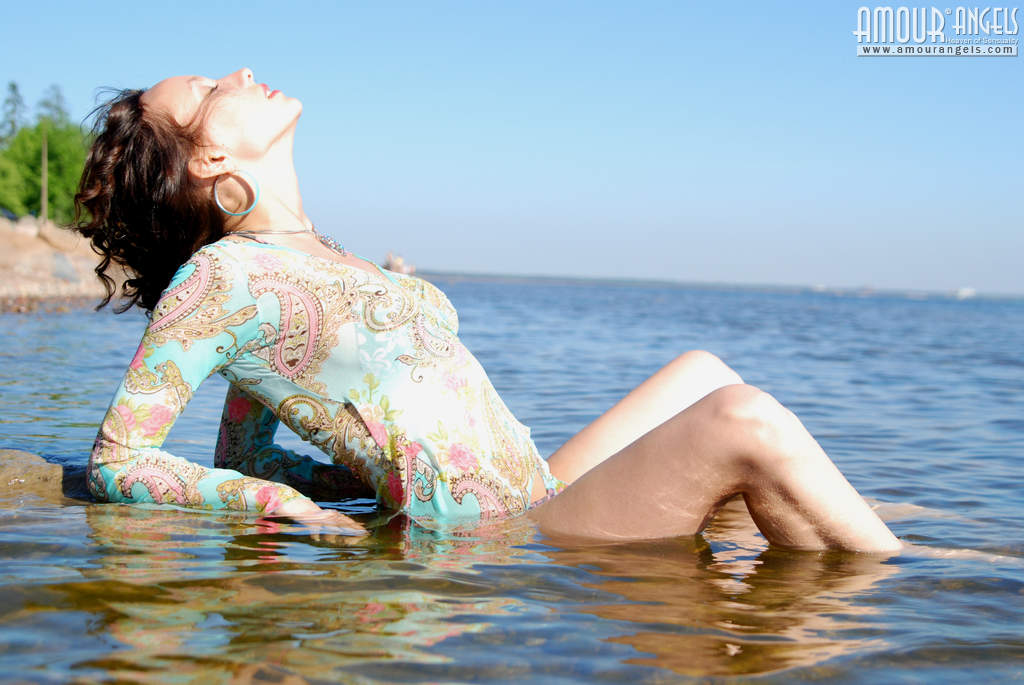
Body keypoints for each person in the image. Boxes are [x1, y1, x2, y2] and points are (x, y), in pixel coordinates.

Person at [73, 68, 901, 552]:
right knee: (743, 419)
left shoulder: (328, 255)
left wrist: (352, 474)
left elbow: (250, 449)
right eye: (210, 90)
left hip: (535, 488)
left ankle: (830, 557)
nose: (240, 74)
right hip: (503, 539)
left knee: (703, 374)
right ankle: (911, 582)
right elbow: (119, 457)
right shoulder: (218, 278)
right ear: (211, 158)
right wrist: (276, 505)